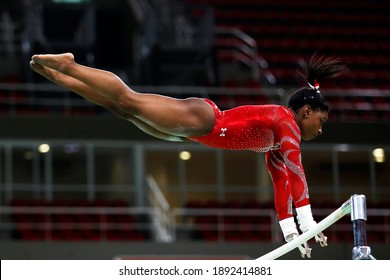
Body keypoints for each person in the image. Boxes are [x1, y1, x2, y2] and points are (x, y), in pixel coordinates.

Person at [30, 52, 347, 258]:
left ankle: (62, 77)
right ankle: (70, 64)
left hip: (193, 133)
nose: (321, 129)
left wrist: (292, 233)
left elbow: (283, 183)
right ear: (307, 111)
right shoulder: (286, 122)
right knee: (129, 99)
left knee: (122, 109)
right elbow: (297, 169)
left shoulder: (278, 142)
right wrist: (309, 222)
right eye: (322, 121)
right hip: (204, 119)